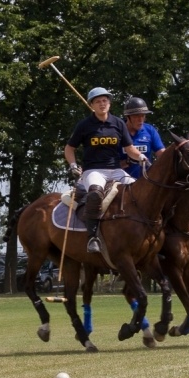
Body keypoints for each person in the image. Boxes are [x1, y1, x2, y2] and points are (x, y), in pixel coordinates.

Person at [64, 87, 148, 253]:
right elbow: (69, 148)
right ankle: (93, 237)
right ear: (92, 105)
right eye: (98, 101)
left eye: (105, 100)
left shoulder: (118, 123)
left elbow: (130, 148)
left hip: (116, 170)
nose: (102, 104)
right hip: (93, 171)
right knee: (95, 195)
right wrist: (73, 165)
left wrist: (141, 158)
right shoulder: (84, 125)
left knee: (141, 192)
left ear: (109, 103)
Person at [119, 97, 165, 179]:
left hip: (146, 181)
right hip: (121, 182)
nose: (141, 120)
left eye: (143, 116)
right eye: (136, 116)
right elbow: (107, 161)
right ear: (128, 117)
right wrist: (122, 163)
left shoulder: (150, 130)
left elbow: (162, 154)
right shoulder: (117, 131)